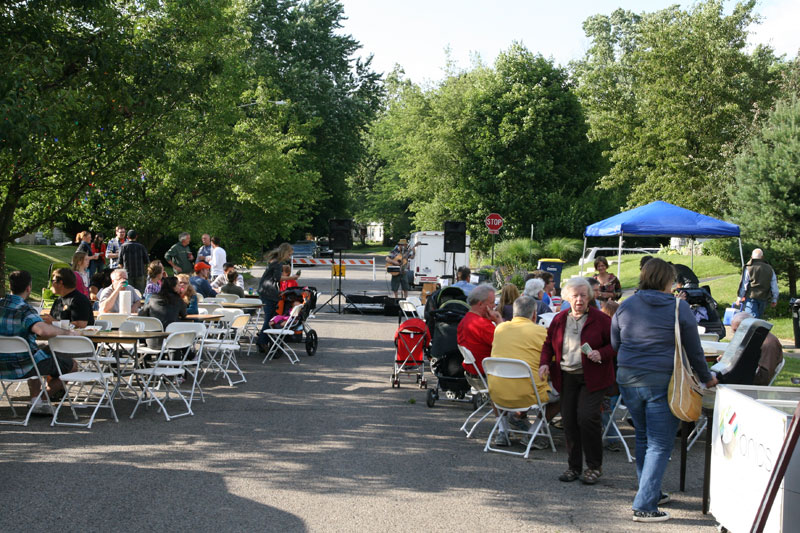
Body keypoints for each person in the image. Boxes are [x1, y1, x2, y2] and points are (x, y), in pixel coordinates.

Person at [611, 258, 717, 523]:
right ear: (667, 280)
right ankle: (645, 504)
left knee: (645, 438)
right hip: (661, 380)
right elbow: (694, 349)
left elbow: (615, 343)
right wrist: (707, 378)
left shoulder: (626, 305)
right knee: (660, 443)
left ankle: (651, 492)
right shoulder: (678, 307)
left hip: (628, 377)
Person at [539, 277, 616, 486]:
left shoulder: (601, 319)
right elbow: (547, 344)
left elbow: (616, 345)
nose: (579, 300)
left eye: (583, 295)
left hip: (593, 377)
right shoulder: (560, 318)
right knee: (570, 421)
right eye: (575, 296)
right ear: (567, 298)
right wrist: (545, 363)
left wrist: (601, 353)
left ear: (590, 297)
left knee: (587, 417)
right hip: (566, 375)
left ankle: (594, 466)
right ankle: (573, 466)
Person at [0, 270, 78, 412]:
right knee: (71, 365)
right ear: (29, 288)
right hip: (22, 366)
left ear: (10, 286)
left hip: (2, 364)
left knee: (39, 350)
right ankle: (40, 399)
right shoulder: (24, 310)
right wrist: (67, 332)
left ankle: (36, 400)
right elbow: (43, 331)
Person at [491, 295, 560, 443]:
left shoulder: (499, 329)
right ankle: (534, 431)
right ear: (534, 314)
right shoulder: (542, 333)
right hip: (529, 394)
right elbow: (555, 360)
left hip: (498, 394)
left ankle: (502, 431)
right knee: (564, 391)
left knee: (501, 380)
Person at [457, 284, 503, 383]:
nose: (494, 306)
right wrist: (499, 320)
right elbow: (506, 344)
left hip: (472, 370)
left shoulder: (465, 320)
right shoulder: (483, 325)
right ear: (481, 304)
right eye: (492, 303)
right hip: (488, 373)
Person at [255, 243, 298, 351]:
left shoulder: (273, 260)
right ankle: (261, 341)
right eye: (289, 254)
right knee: (269, 318)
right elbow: (277, 278)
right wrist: (292, 277)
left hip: (264, 290)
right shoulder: (278, 263)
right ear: (285, 253)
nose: (289, 257)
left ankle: (264, 340)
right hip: (269, 292)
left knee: (270, 317)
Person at [730, 311, 784, 386]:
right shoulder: (751, 337)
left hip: (748, 386)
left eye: (737, 330)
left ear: (749, 327)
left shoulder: (768, 344)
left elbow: (763, 378)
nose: (734, 334)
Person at [138, 276, 187, 346]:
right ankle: (190, 354)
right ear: (173, 287)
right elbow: (184, 314)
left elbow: (141, 314)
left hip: (151, 341)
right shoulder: (177, 300)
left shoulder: (153, 298)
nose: (180, 287)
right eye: (178, 285)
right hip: (172, 341)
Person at [736, 248, 778, 319]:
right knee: (758, 319)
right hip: (764, 297)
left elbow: (744, 285)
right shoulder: (769, 268)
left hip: (751, 297)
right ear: (762, 257)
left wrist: (740, 297)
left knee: (752, 319)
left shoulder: (749, 268)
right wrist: (774, 299)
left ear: (751, 257)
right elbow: (774, 285)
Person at [119, 229, 149, 293]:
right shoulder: (141, 247)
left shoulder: (123, 247)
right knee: (139, 293)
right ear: (136, 236)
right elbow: (146, 261)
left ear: (127, 237)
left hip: (127, 274)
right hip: (139, 273)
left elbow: (120, 262)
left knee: (127, 292)